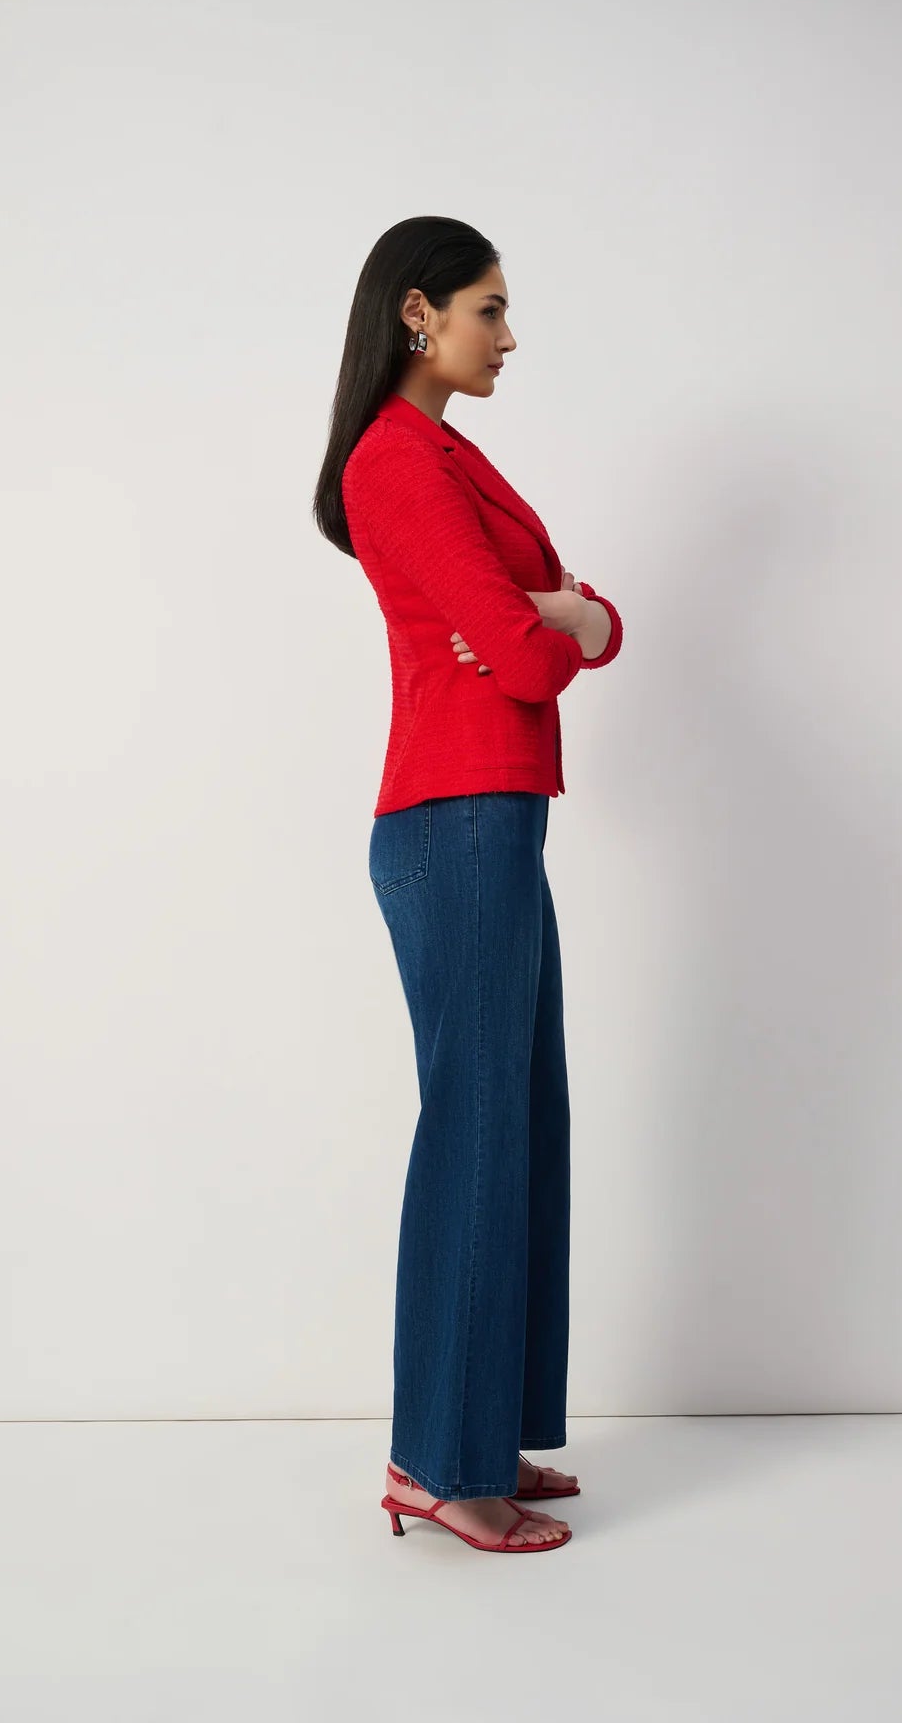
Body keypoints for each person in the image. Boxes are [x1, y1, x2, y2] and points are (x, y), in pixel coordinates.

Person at [312, 217, 623, 1554]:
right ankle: (437, 1463)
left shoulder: (447, 453)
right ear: (417, 313)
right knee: (479, 1128)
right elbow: (538, 646)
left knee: (520, 1118)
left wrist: (552, 613)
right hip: (458, 818)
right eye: (489, 308)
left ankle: (481, 1430)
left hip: (494, 813)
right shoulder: (395, 461)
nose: (509, 334)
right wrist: (552, 617)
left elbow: (559, 618)